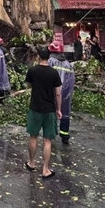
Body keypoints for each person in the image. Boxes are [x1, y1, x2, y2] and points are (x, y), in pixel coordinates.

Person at [25, 46, 62, 179]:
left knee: (33, 136)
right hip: (49, 109)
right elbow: (58, 93)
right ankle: (45, 169)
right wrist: (59, 109)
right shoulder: (54, 73)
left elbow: (29, 86)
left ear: (39, 56)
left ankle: (31, 162)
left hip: (35, 108)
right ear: (49, 57)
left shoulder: (32, 71)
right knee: (47, 140)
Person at [48, 41, 75, 144]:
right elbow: (72, 80)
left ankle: (52, 133)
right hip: (67, 93)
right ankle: (64, 134)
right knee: (65, 112)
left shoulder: (51, 62)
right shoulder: (68, 64)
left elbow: (47, 76)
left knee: (52, 111)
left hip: (54, 91)